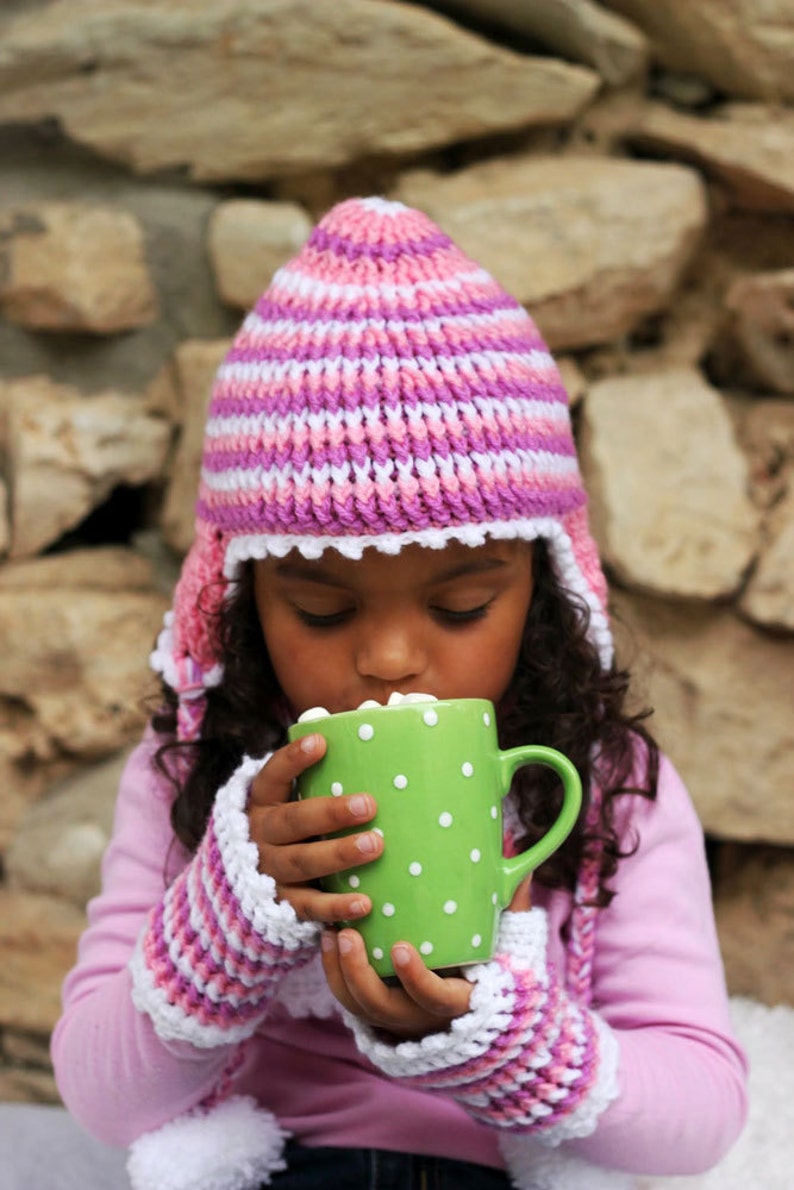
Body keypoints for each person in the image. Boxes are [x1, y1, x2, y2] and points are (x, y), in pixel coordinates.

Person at [51, 197, 747, 1190]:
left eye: (460, 604)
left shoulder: (609, 786)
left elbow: (699, 1113)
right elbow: (103, 1096)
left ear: (544, 585)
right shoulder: (189, 773)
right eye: (321, 609)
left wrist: (508, 1041)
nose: (387, 657)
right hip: (276, 1164)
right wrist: (226, 919)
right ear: (241, 598)